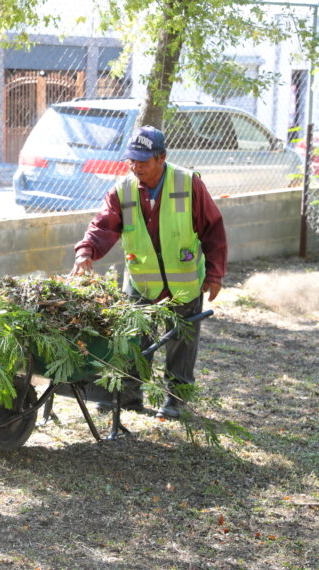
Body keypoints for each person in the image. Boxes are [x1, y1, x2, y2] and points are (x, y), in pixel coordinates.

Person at [70, 125, 227, 419]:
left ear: (161, 157)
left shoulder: (188, 184)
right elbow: (103, 225)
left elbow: (213, 229)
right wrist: (86, 251)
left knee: (181, 343)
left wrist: (215, 273)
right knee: (134, 340)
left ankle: (176, 400)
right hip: (142, 281)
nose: (136, 167)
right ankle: (129, 397)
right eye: (132, 160)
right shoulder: (123, 190)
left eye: (143, 161)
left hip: (184, 282)